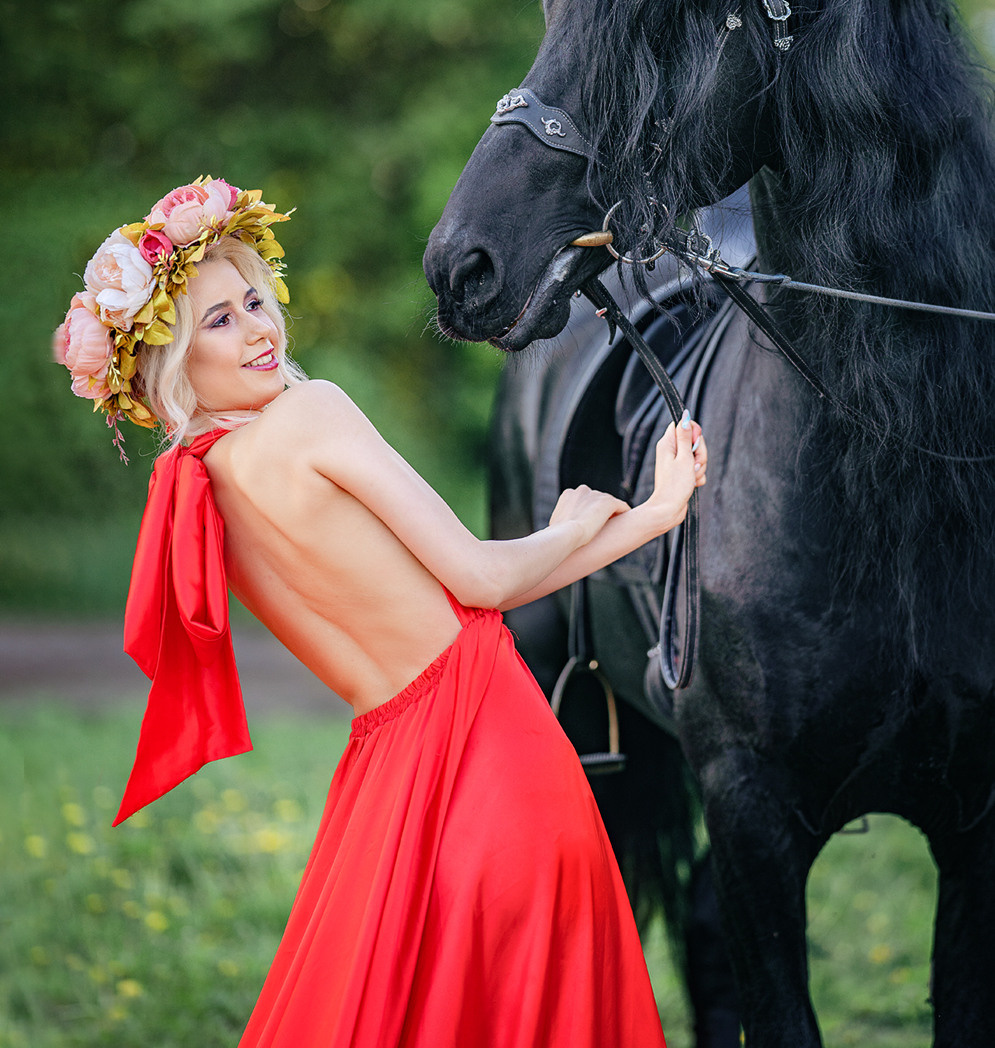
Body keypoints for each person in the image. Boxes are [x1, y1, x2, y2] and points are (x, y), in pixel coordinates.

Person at [54, 176, 707, 1048]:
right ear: (167, 360)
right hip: (492, 753)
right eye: (218, 321)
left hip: (389, 782)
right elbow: (479, 582)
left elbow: (456, 606)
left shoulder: (198, 491)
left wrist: (653, 516)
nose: (258, 330)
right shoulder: (311, 414)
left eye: (254, 301)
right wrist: (586, 520)